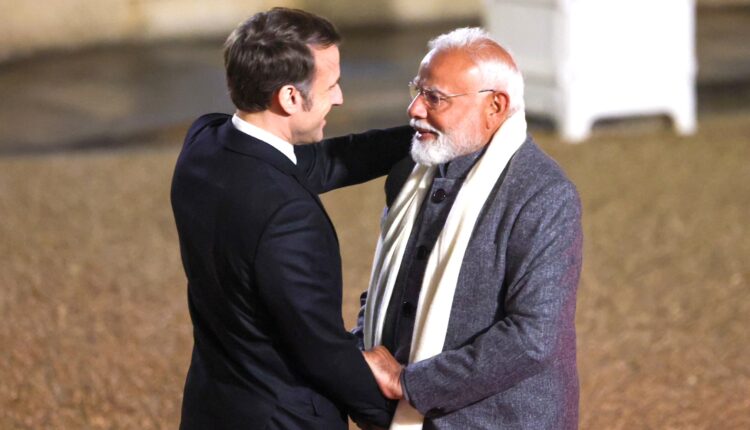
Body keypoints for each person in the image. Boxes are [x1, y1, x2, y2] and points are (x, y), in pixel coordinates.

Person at [170, 8, 413, 430]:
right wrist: (395, 420)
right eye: (331, 85)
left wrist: (422, 135)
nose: (339, 97)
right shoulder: (288, 216)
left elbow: (321, 162)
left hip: (212, 408)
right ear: (289, 97)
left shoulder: (205, 142)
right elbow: (321, 350)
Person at [356, 28, 583, 429]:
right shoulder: (410, 172)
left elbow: (532, 337)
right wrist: (362, 345)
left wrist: (408, 383)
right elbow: (387, 284)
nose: (414, 109)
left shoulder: (544, 195)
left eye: (435, 97)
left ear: (495, 106)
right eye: (417, 90)